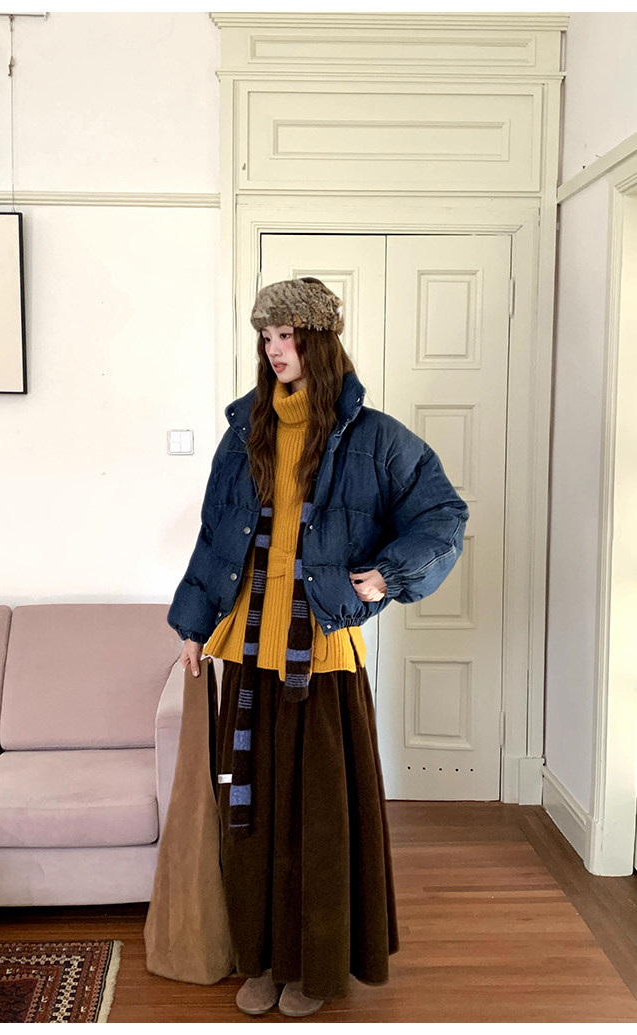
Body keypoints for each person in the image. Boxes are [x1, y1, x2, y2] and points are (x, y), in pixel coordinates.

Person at [167, 277, 469, 1017]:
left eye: (288, 335)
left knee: (320, 826)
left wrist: (388, 575)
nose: (276, 349)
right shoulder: (244, 431)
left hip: (323, 659)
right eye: (267, 337)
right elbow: (215, 535)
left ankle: (315, 966)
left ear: (320, 340)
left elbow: (444, 514)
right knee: (250, 819)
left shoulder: (377, 438)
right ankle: (262, 958)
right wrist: (195, 627)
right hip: (248, 655)